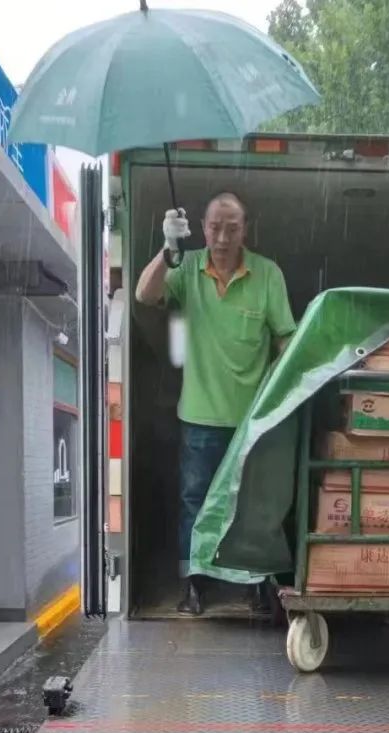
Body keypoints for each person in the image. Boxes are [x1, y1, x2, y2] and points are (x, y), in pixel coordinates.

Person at [136, 193, 296, 616]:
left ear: (247, 229)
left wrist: (285, 383)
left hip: (253, 420)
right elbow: (143, 295)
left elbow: (285, 339)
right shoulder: (185, 268)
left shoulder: (267, 275)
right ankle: (195, 586)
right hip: (200, 416)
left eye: (232, 227)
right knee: (197, 502)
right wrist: (168, 249)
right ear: (202, 228)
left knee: (254, 506)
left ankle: (258, 584)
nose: (222, 237)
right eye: (214, 227)